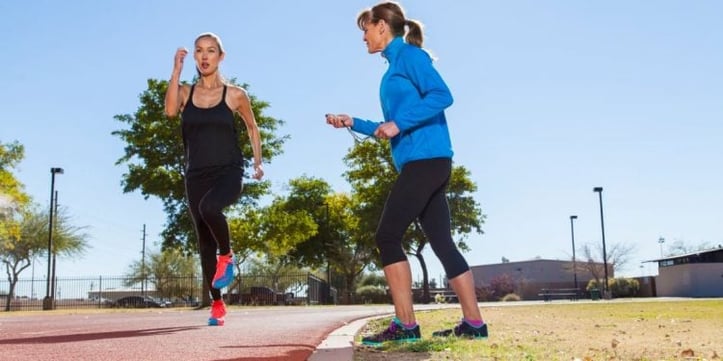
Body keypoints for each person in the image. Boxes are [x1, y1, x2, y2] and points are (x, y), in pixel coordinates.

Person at [325, 2, 487, 344]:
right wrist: (354, 122)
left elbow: (443, 96)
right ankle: (474, 323)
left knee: (387, 236)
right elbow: (390, 127)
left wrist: (399, 123)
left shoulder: (411, 57)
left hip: (426, 161)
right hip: (427, 161)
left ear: (382, 26)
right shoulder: (392, 67)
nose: (364, 37)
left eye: (365, 29)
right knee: (442, 241)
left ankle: (406, 326)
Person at [164, 32, 263, 326]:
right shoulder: (184, 92)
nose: (204, 56)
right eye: (199, 51)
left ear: (221, 57)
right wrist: (175, 71)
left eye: (210, 51)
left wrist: (258, 162)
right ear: (194, 57)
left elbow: (252, 127)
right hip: (195, 175)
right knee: (204, 242)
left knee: (210, 209)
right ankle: (217, 304)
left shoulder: (235, 94)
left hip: (229, 171)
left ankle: (228, 255)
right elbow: (170, 111)